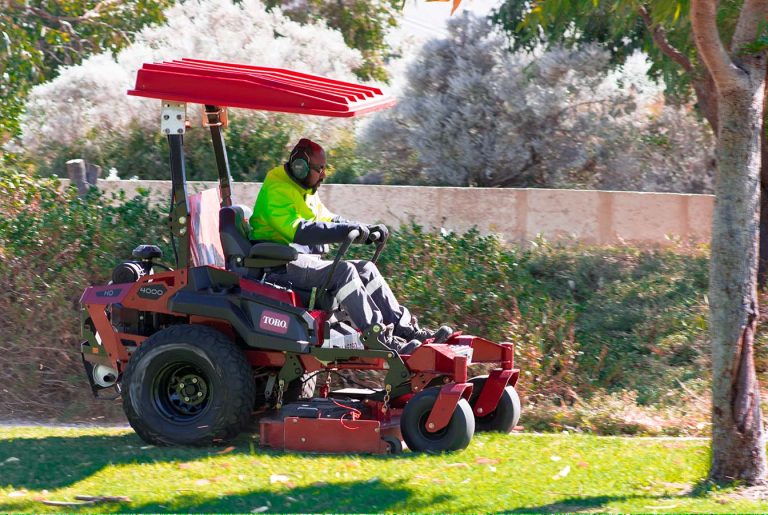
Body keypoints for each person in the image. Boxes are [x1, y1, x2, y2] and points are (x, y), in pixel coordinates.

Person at [249, 138, 451, 351]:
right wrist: (345, 231)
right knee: (343, 272)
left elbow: (328, 219)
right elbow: (299, 231)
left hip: (298, 261)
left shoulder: (302, 188)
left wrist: (363, 227)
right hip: (277, 266)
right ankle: (379, 338)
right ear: (300, 167)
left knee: (366, 269)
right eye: (320, 169)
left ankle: (405, 330)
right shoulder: (277, 188)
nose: (324, 175)